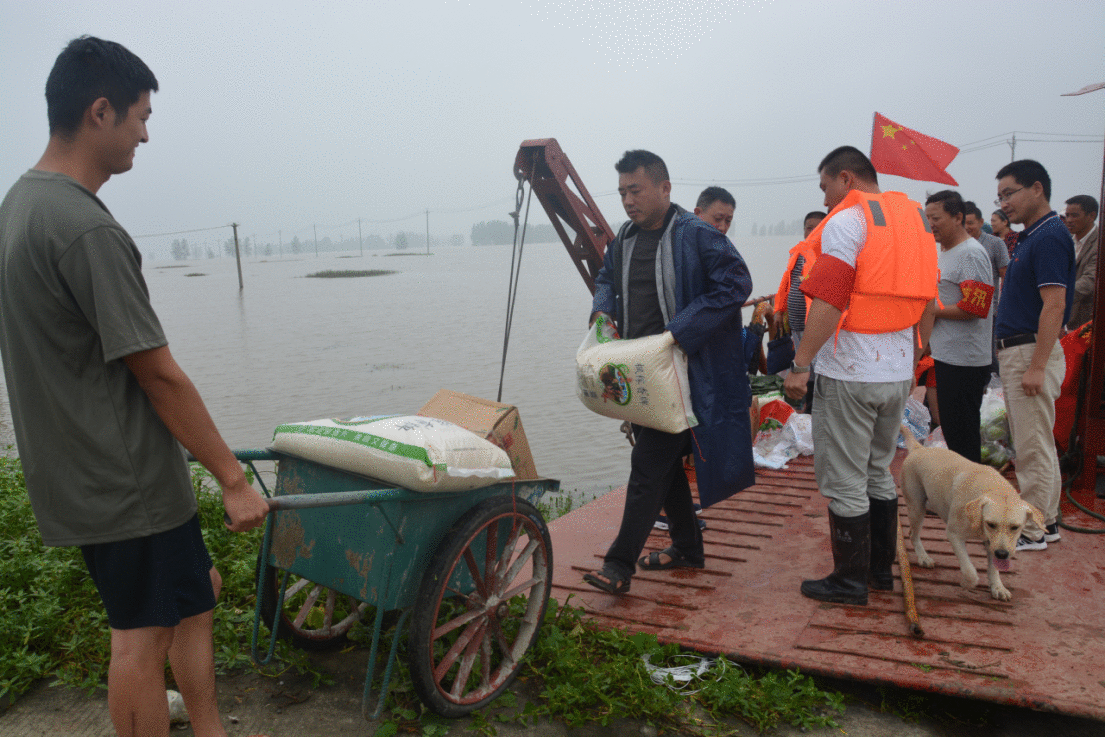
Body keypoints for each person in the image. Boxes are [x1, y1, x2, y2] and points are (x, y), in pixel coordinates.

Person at [0, 37, 269, 736]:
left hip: (83, 470)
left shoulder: (20, 207)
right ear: (99, 112)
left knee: (197, 594)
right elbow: (156, 372)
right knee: (140, 639)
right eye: (140, 117)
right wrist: (231, 478)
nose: (145, 133)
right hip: (124, 482)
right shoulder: (83, 229)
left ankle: (206, 728)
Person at [583, 150, 754, 594]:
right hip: (641, 373)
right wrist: (602, 313)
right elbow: (605, 279)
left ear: (664, 188)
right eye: (621, 192)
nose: (627, 201)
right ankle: (688, 547)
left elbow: (737, 284)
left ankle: (619, 566)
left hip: (687, 372)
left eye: (635, 190)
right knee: (665, 466)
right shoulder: (623, 238)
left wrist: (679, 332)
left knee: (647, 463)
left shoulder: (697, 235)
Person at [782, 146, 937, 606]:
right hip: (895, 371)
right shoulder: (917, 222)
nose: (826, 198)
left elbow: (828, 300)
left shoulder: (848, 223)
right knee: (878, 469)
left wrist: (800, 364)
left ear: (846, 179)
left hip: (848, 372)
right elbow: (928, 300)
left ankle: (848, 582)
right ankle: (878, 574)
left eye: (826, 187)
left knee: (845, 476)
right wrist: (914, 360)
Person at [992, 160, 1075, 552]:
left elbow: (1054, 305)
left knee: (1031, 446)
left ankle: (1033, 530)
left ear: (1037, 189)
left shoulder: (1050, 237)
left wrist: (1038, 365)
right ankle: (1049, 522)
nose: (1004, 203)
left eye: (1010, 193)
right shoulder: (1032, 236)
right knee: (1035, 442)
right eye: (1001, 196)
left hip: (1029, 350)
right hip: (1021, 349)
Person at [924, 191, 994, 463]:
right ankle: (959, 491)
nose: (931, 223)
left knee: (963, 435)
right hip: (946, 355)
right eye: (927, 217)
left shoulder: (971, 254)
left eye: (936, 217)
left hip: (965, 361)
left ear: (957, 217)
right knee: (952, 431)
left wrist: (933, 310)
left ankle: (970, 496)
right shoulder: (943, 251)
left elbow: (976, 308)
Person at [773, 211, 826, 411]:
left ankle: (816, 409)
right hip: (796, 325)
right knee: (806, 371)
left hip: (817, 328)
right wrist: (779, 310)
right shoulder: (798, 253)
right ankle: (805, 409)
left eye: (817, 227)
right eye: (808, 227)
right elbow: (787, 283)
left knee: (820, 371)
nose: (811, 231)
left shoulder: (828, 255)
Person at [1064, 195, 1099, 329]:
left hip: (1086, 324)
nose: (1069, 220)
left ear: (1091, 216)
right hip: (1063, 321)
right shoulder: (1067, 242)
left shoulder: (1100, 244)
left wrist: (1057, 297)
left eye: (1074, 215)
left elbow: (1090, 280)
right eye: (1067, 215)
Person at [964, 201, 1009, 296]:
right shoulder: (958, 244)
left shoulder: (995, 243)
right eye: (963, 223)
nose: (966, 227)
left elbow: (1006, 276)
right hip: (958, 305)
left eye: (970, 223)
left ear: (981, 222)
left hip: (989, 306)